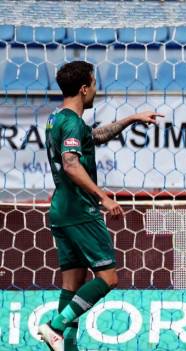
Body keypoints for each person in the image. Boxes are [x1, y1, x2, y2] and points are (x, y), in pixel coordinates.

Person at [38, 61, 162, 351]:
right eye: (93, 84)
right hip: (81, 210)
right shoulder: (70, 122)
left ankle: (66, 348)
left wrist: (131, 119)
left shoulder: (57, 119)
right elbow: (70, 164)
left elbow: (94, 137)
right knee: (108, 278)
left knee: (72, 284)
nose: (96, 90)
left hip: (61, 210)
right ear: (84, 88)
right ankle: (54, 327)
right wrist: (102, 197)